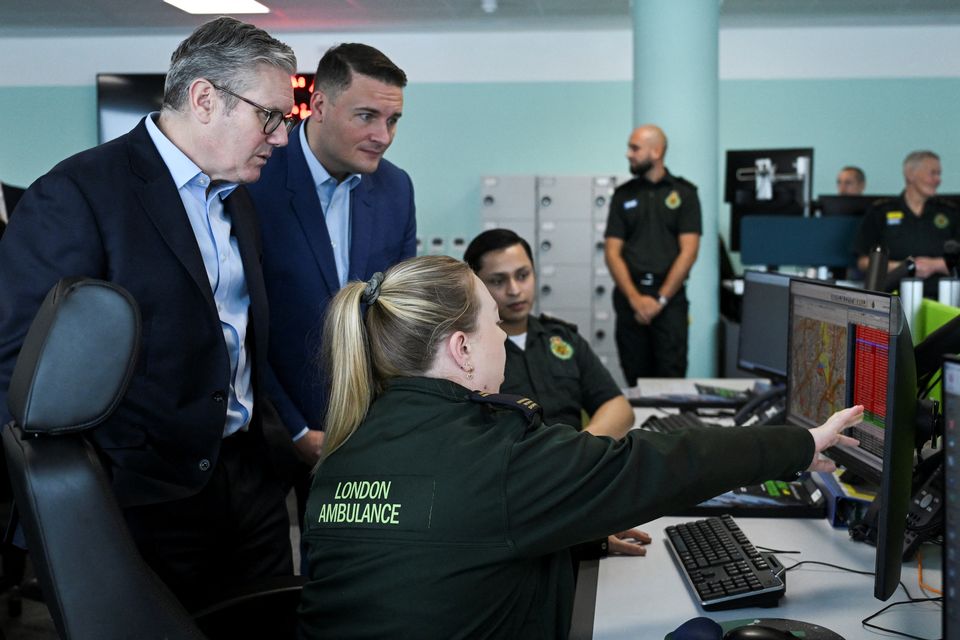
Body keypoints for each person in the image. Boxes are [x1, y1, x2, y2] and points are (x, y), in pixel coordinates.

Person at [298, 254, 863, 639]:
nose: (504, 336)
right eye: (495, 324)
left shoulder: (342, 452)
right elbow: (661, 464)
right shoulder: (495, 455)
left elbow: (436, 557)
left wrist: (568, 533)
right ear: (463, 349)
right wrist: (799, 444)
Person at [0, 17, 297, 610]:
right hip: (142, 499)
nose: (281, 138)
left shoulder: (239, 200)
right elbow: (17, 369)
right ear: (205, 98)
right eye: (271, 116)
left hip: (250, 483)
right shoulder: (79, 194)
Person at [247, 43, 415, 472]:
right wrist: (296, 430)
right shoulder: (256, 180)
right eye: (367, 117)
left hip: (369, 425)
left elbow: (399, 318)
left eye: (392, 120)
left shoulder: (396, 190)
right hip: (271, 428)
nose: (384, 136)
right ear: (319, 105)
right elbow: (243, 320)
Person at [464, 228, 650, 557]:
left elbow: (618, 408)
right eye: (497, 280)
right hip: (517, 506)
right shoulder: (467, 355)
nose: (514, 290)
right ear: (476, 284)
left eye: (523, 275)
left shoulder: (561, 339)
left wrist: (575, 456)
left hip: (582, 490)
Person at [604, 124, 701, 383]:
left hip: (669, 304)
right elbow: (612, 252)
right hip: (629, 301)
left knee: (671, 380)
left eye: (635, 148)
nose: (628, 154)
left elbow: (689, 252)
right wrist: (636, 299)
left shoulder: (685, 194)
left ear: (656, 151)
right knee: (634, 380)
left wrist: (659, 300)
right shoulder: (622, 195)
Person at [854, 150, 960, 296]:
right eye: (933, 173)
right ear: (910, 174)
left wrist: (933, 266)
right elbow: (863, 262)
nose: (938, 179)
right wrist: (904, 268)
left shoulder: (951, 212)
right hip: (892, 296)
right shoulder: (881, 211)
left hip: (942, 296)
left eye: (939, 174)